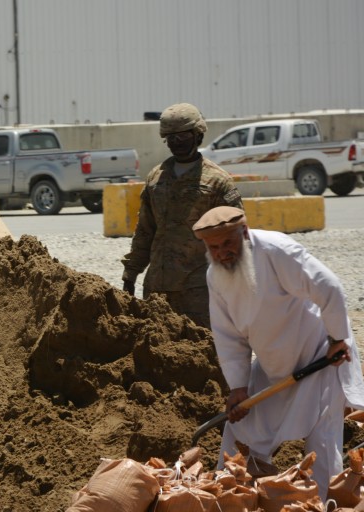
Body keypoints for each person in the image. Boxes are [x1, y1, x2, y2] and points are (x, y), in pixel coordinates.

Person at [192, 205, 364, 499]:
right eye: (214, 247)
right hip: (274, 365)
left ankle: (328, 503)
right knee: (241, 426)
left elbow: (330, 287)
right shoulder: (215, 275)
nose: (223, 253)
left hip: (320, 356)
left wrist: (337, 339)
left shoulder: (276, 250)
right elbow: (228, 335)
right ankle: (230, 496)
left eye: (228, 243)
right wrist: (238, 386)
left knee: (322, 441)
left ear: (244, 232)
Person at [121, 102, 243, 328]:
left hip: (199, 290)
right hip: (157, 288)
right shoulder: (156, 178)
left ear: (198, 135)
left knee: (204, 353)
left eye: (183, 136)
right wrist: (130, 274)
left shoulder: (218, 182)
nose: (177, 142)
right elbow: (145, 232)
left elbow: (237, 238)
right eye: (171, 137)